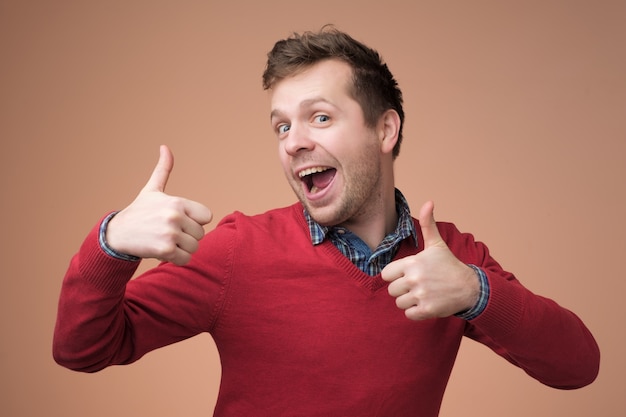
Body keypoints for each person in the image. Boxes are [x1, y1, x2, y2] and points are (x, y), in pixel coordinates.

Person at [53, 27, 600, 416]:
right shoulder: (239, 251)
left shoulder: (447, 261)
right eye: (281, 126)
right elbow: (84, 350)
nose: (294, 142)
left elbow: (577, 366)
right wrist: (112, 245)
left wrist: (477, 292)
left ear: (385, 131)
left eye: (319, 117)